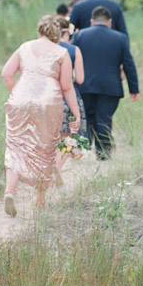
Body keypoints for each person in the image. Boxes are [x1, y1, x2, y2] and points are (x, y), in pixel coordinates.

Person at [1, 14, 82, 215]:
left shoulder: (24, 47)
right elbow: (67, 87)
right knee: (46, 147)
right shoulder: (62, 53)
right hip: (48, 101)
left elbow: (6, 74)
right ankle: (40, 198)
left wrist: (17, 94)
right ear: (56, 34)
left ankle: (9, 192)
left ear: (39, 31)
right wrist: (76, 113)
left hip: (20, 97)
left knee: (15, 145)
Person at [72, 5, 139, 159]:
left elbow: (70, 60)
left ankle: (83, 153)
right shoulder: (120, 38)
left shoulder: (79, 36)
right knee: (103, 119)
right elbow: (129, 65)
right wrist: (133, 89)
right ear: (110, 22)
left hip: (84, 86)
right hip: (110, 87)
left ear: (91, 21)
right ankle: (103, 155)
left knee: (86, 118)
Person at [55, 16, 85, 182]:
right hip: (68, 98)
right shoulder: (74, 50)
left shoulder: (44, 49)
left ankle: (48, 170)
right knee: (68, 137)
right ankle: (57, 168)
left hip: (47, 98)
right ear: (67, 32)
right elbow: (79, 79)